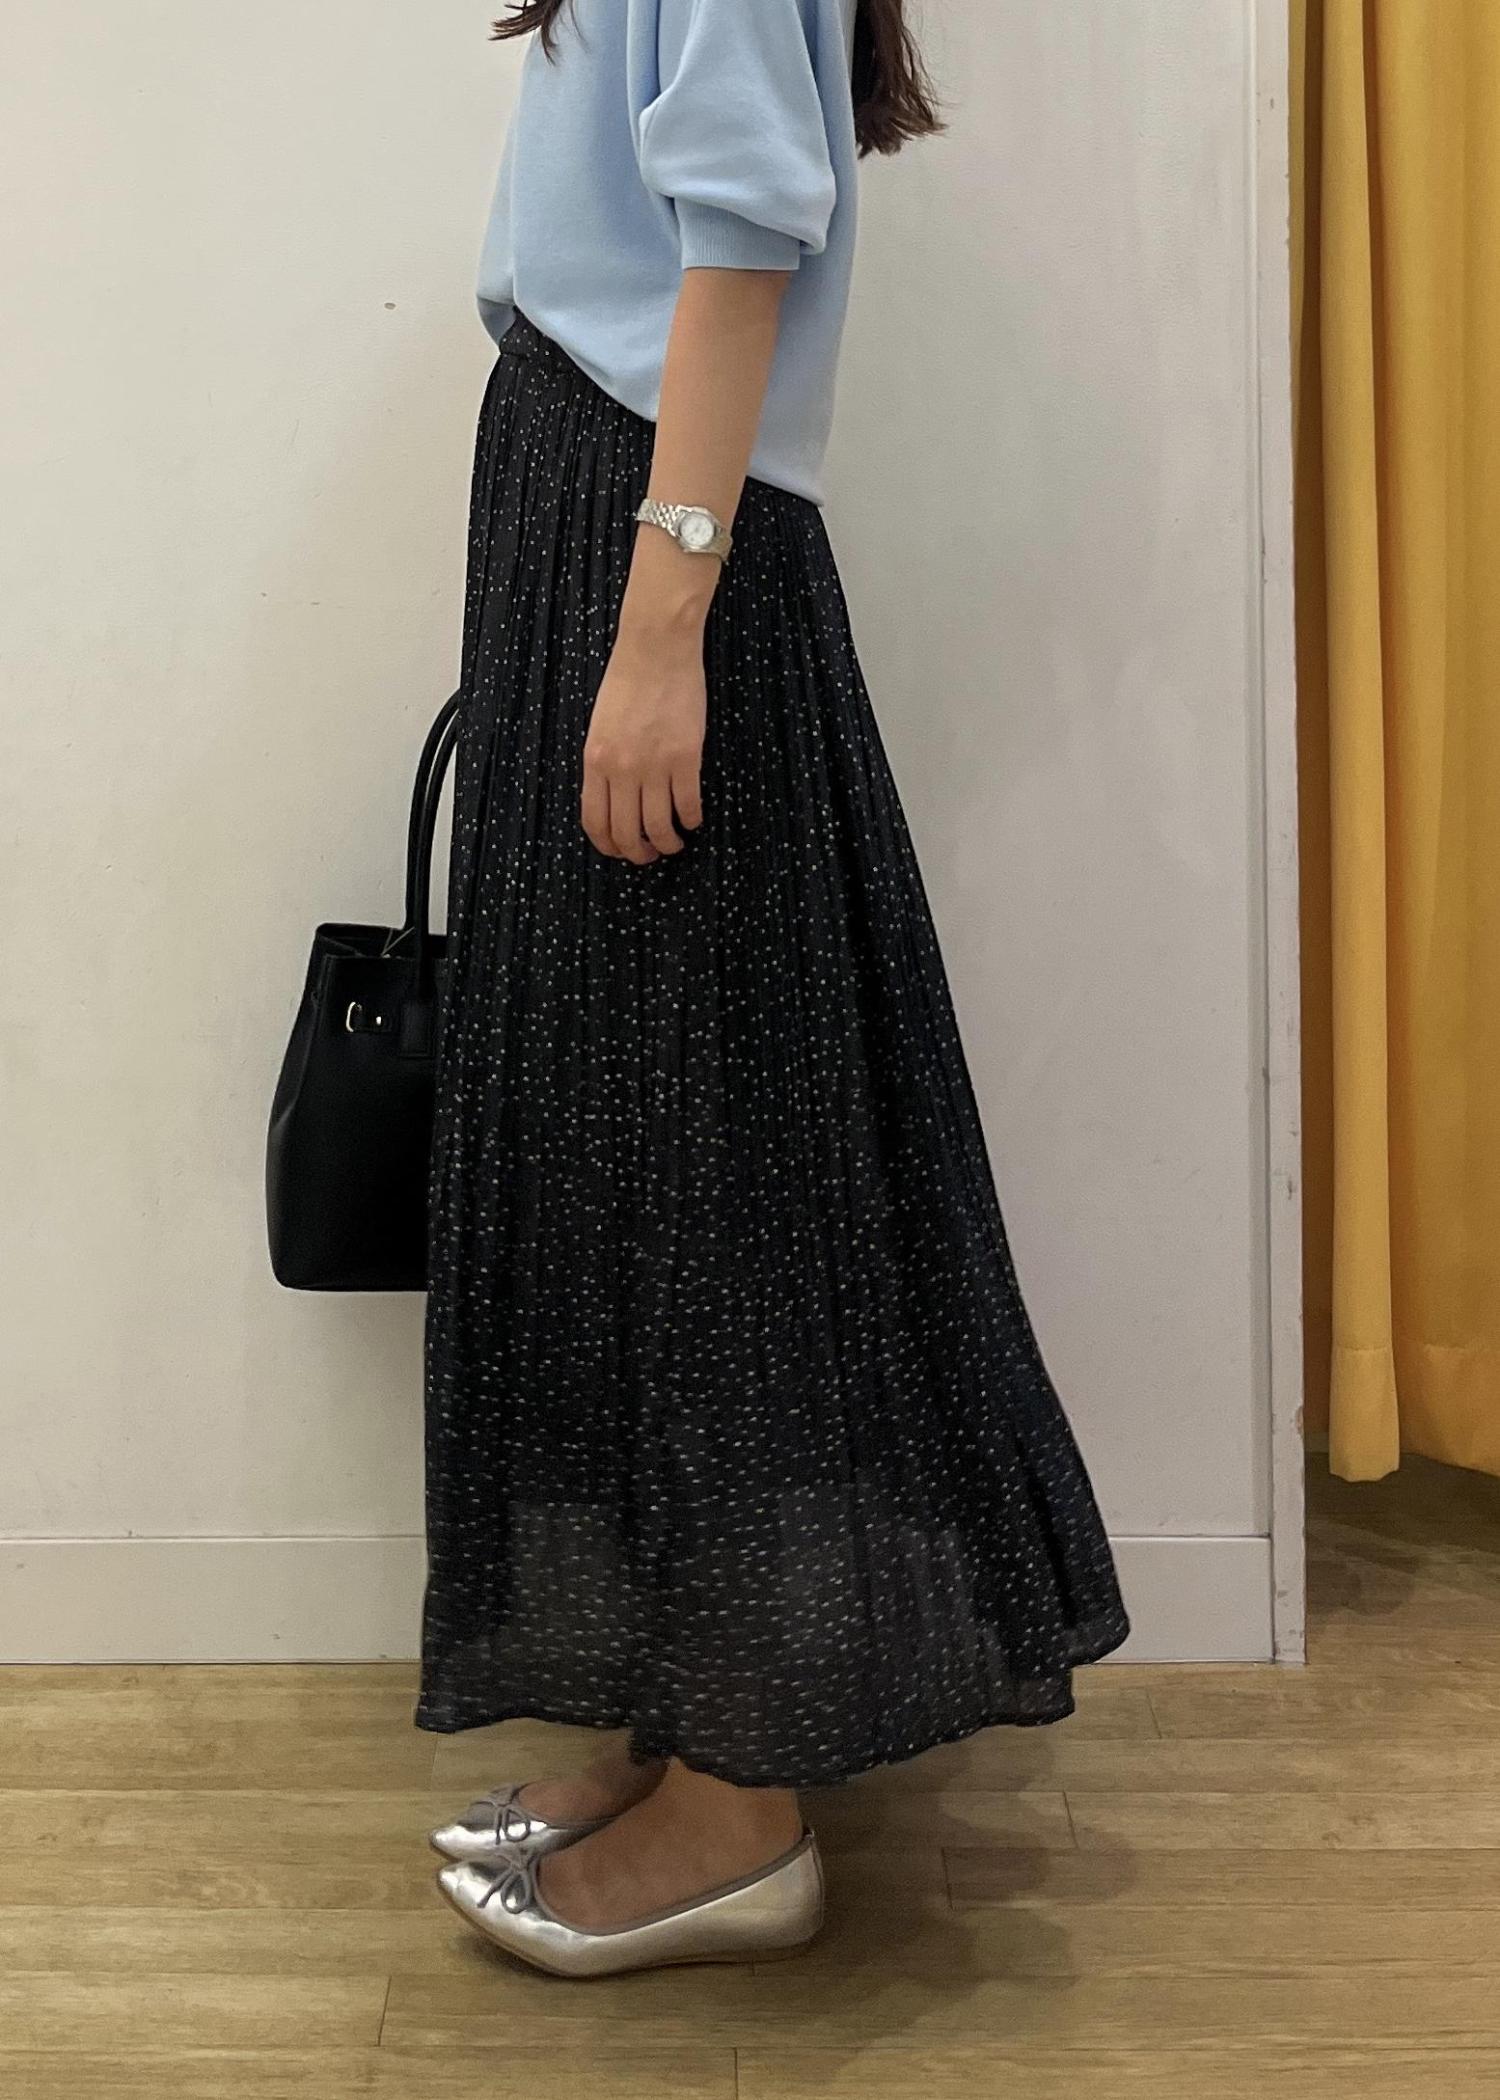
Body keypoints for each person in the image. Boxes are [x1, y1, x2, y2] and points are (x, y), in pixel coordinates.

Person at [418, 0, 1128, 1979]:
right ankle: (684, 1720)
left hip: (652, 527)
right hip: (596, 503)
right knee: (637, 1157)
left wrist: (661, 629)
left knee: (712, 1179)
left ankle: (742, 1813)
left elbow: (741, 240)